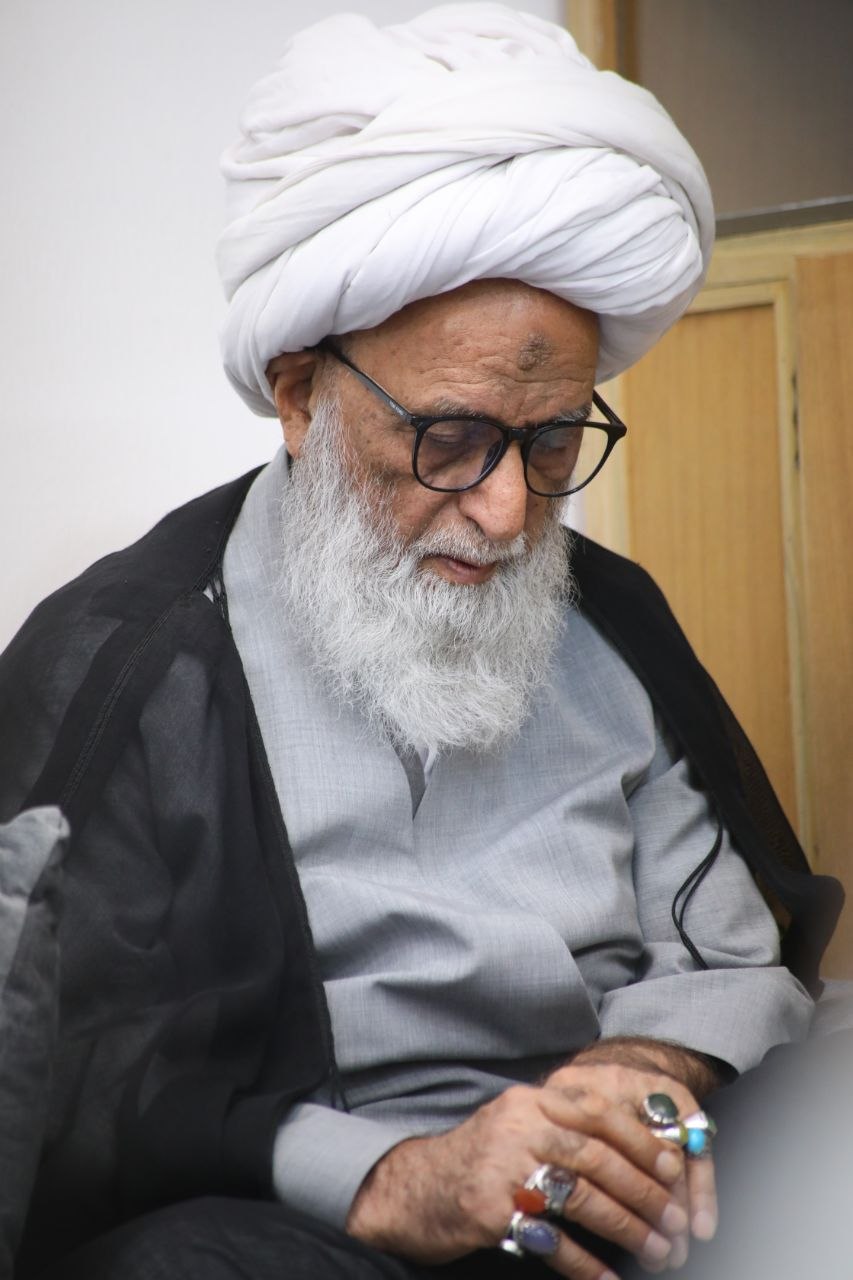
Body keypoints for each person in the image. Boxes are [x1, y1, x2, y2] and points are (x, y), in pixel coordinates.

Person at [0, 6, 842, 1279]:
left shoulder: (607, 619)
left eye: (551, 442)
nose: (505, 511)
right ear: (301, 396)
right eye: (449, 438)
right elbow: (86, 1078)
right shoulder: (129, 658)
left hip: (626, 1183)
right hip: (317, 1220)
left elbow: (728, 951)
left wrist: (634, 1080)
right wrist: (404, 1176)